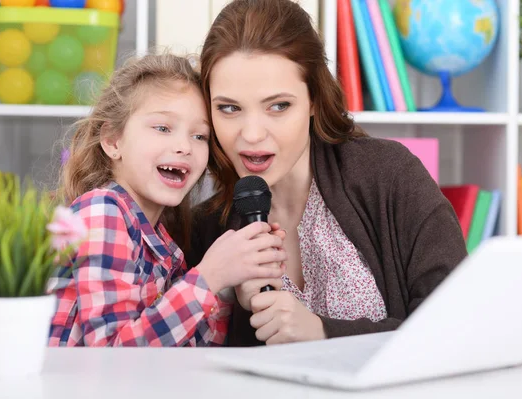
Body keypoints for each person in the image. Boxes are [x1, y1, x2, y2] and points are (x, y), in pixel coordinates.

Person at [186, 0, 468, 347]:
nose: (253, 134)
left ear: (315, 100)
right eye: (229, 108)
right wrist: (228, 302)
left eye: (278, 106)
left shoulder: (391, 176)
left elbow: (458, 327)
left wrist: (322, 332)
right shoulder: (206, 228)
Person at [47, 52, 286, 347]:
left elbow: (185, 348)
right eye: (163, 128)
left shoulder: (160, 242)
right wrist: (210, 276)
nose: (184, 146)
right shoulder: (101, 212)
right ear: (112, 141)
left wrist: (227, 289)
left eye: (200, 136)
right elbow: (112, 356)